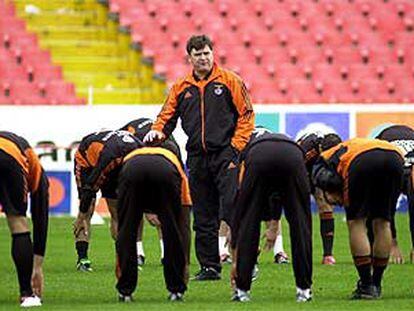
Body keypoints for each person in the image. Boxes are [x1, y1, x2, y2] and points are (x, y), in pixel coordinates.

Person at [144, 34, 255, 280]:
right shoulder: (181, 87)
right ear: (190, 58)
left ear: (212, 54)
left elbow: (247, 116)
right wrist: (156, 132)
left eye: (206, 53)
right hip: (196, 158)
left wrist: (235, 149)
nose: (203, 58)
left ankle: (246, 263)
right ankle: (209, 267)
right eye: (198, 54)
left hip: (226, 154)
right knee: (203, 216)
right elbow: (166, 116)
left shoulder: (230, 80)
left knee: (233, 210)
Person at [312, 137, 404, 299]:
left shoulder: (325, 158)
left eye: (334, 202)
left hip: (362, 161)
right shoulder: (347, 147)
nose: (338, 205)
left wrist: (336, 192)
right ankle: (376, 283)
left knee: (356, 222)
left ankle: (367, 285)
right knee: (382, 222)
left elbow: (322, 178)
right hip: (395, 158)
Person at [230, 128, 312, 302]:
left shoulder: (243, 146)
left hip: (259, 156)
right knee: (301, 223)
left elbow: (240, 206)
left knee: (248, 221)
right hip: (292, 153)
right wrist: (274, 223)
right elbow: (277, 194)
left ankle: (242, 289)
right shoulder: (279, 138)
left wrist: (235, 258)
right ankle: (304, 289)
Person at [116, 144, 191, 302]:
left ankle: (125, 290)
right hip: (165, 173)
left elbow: (121, 224)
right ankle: (176, 290)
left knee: (127, 229)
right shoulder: (174, 162)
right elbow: (183, 224)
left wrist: (119, 264)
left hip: (132, 170)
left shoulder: (132, 155)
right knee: (172, 230)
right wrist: (186, 263)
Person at [73, 129, 142, 271]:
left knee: (117, 211)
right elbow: (91, 185)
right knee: (88, 208)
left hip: (116, 164)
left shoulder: (142, 152)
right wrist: (81, 214)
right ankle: (83, 259)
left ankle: (124, 259)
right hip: (87, 161)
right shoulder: (110, 157)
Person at [0, 131, 49, 307]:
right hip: (8, 156)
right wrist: (37, 266)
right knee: (18, 222)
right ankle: (27, 294)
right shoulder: (37, 172)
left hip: (8, 150)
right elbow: (40, 217)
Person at [297, 132, 342, 265]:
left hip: (318, 173)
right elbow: (296, 168)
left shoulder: (340, 150)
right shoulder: (308, 149)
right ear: (321, 148)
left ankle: (328, 255)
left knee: (325, 206)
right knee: (302, 211)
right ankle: (303, 252)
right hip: (301, 173)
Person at [375, 124, 414, 263]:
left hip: (395, 144)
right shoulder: (384, 149)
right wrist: (393, 243)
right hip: (389, 148)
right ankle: (391, 244)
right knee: (385, 202)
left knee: (384, 203)